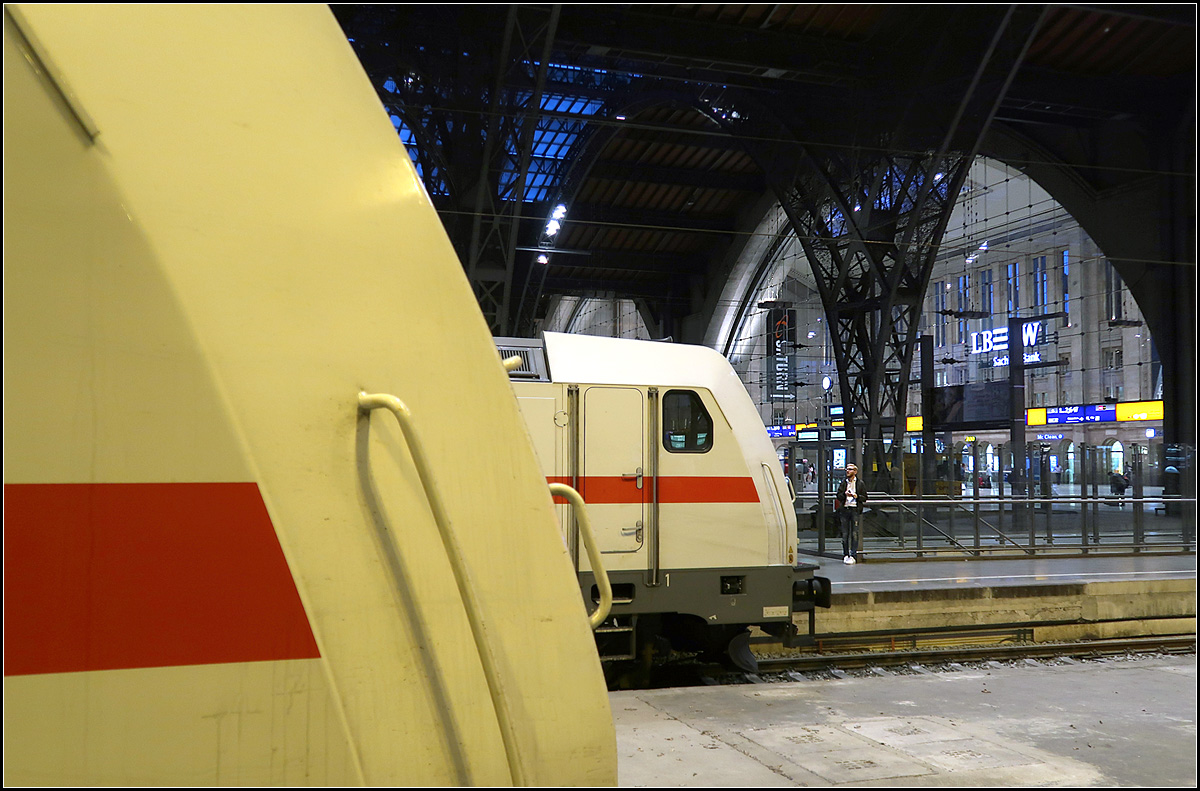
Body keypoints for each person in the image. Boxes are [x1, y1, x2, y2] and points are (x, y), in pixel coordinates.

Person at [836, 463, 867, 565]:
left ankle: (853, 555)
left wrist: (856, 496)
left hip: (854, 510)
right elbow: (838, 495)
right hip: (845, 509)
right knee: (845, 534)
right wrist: (844, 494)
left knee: (854, 533)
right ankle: (845, 554)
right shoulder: (843, 483)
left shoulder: (860, 483)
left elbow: (865, 497)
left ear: (855, 472)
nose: (847, 471)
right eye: (847, 469)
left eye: (850, 469)